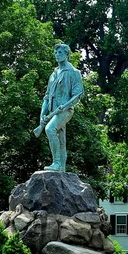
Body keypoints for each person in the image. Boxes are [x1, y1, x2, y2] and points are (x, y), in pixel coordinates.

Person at [39, 43, 84, 172]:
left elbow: (77, 95)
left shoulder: (74, 73)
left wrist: (65, 106)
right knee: (61, 141)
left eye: (60, 53)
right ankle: (61, 170)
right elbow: (47, 96)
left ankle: (57, 163)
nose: (57, 55)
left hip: (65, 111)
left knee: (50, 129)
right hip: (53, 112)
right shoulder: (53, 74)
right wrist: (43, 114)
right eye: (56, 53)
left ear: (67, 55)